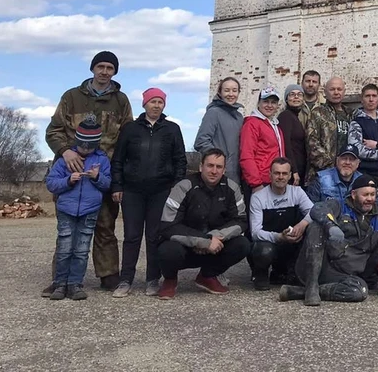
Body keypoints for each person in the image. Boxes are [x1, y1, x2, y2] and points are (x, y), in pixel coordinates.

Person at [44, 50, 133, 294]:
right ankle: (61, 279)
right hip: (71, 173)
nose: (104, 72)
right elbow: (53, 131)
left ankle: (108, 274)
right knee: (68, 231)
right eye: (100, 66)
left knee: (105, 226)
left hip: (103, 174)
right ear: (93, 69)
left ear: (115, 72)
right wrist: (65, 151)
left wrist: (118, 176)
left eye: (110, 68)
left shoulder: (121, 101)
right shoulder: (71, 97)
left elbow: (127, 138)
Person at [110, 88, 186, 298]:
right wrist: (117, 185)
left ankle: (153, 279)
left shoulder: (172, 129)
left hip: (160, 191)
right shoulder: (130, 129)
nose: (156, 106)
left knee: (154, 237)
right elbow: (118, 159)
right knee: (132, 237)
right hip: (133, 190)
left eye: (160, 102)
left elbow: (180, 160)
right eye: (152, 101)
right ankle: (125, 280)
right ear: (144, 104)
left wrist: (176, 187)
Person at [280, 176, 378, 306]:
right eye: (365, 194)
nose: (370, 199)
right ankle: (311, 286)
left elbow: (374, 255)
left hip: (343, 275)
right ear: (354, 194)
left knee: (360, 292)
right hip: (319, 266)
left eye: (373, 195)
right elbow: (317, 209)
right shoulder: (339, 205)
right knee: (316, 227)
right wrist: (330, 225)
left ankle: (299, 292)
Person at [156, 148, 250, 300]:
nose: (214, 171)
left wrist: (215, 237)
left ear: (224, 170)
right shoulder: (183, 186)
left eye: (219, 167)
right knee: (167, 250)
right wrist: (203, 240)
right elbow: (168, 226)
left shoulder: (232, 188)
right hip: (185, 247)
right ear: (201, 167)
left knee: (243, 244)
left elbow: (241, 220)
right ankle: (170, 280)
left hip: (215, 246)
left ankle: (207, 276)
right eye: (210, 165)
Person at [44, 118, 112, 300]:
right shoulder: (63, 161)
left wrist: (97, 177)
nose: (86, 150)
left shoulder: (102, 160)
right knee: (65, 248)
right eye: (82, 145)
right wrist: (68, 180)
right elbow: (51, 183)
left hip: (90, 211)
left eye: (90, 146)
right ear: (77, 141)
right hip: (67, 210)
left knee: (81, 250)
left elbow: (107, 184)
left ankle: (75, 284)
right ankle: (60, 284)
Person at [248, 158, 313, 290]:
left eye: (284, 173)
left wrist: (302, 225)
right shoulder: (258, 197)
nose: (280, 177)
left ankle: (285, 272)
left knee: (313, 232)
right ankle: (260, 273)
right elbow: (255, 232)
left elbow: (314, 211)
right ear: (269, 174)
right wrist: (279, 237)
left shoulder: (297, 192)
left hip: (291, 241)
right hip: (268, 243)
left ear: (290, 176)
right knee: (264, 251)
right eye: (277, 173)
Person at [240, 85, 291, 203]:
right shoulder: (252, 124)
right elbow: (246, 155)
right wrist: (255, 184)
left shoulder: (275, 125)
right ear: (259, 103)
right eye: (266, 101)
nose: (269, 105)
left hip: (274, 180)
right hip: (259, 182)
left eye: (273, 102)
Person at [194, 76, 244, 184]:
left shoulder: (239, 117)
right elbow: (201, 141)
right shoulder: (214, 113)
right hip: (218, 174)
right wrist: (219, 160)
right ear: (220, 92)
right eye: (226, 90)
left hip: (236, 175)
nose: (231, 94)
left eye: (234, 90)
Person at [304, 76, 352, 185]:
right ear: (325, 92)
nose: (336, 92)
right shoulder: (317, 113)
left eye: (339, 89)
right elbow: (312, 144)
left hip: (347, 173)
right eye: (332, 89)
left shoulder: (350, 114)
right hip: (322, 173)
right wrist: (333, 164)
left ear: (344, 92)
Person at [280, 84, 307, 187]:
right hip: (293, 172)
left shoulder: (295, 117)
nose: (296, 97)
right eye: (292, 94)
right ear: (287, 99)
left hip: (300, 169)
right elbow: (286, 143)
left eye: (299, 94)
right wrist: (293, 170)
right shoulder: (286, 116)